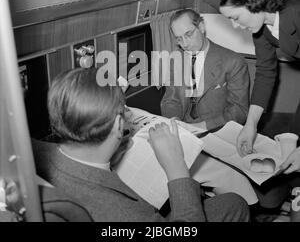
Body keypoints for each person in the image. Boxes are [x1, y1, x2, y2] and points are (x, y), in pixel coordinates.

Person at [32, 68, 249, 222]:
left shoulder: (33, 152)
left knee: (232, 204)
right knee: (236, 205)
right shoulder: (121, 213)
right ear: (119, 124)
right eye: (124, 111)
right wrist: (177, 169)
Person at [160, 8, 259, 207]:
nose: (185, 44)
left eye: (188, 34)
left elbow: (239, 111)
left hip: (217, 133)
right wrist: (175, 122)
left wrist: (202, 127)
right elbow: (170, 100)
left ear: (202, 27)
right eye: (179, 39)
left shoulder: (232, 61)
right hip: (186, 133)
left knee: (232, 187)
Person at [215, 0, 300, 172]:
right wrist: (250, 124)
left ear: (252, 0)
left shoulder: (296, 13)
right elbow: (265, 73)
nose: (236, 26)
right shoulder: (261, 28)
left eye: (235, 18)